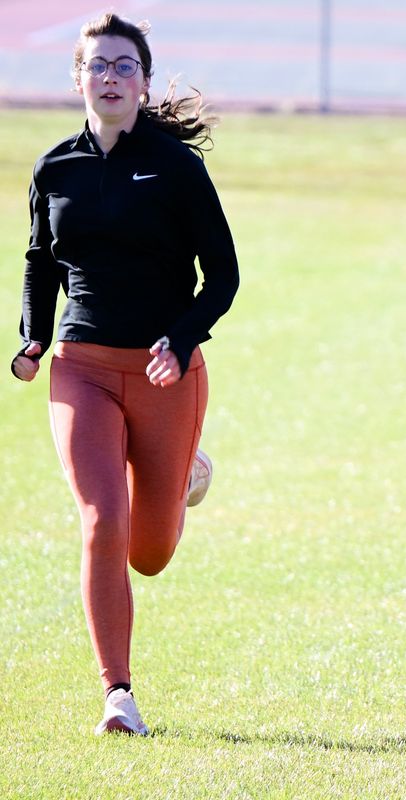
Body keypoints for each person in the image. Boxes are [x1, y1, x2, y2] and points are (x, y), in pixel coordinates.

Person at [12, 13, 239, 735]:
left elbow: (224, 277)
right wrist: (32, 339)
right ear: (77, 78)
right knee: (103, 522)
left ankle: (187, 473)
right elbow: (40, 260)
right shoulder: (54, 168)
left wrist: (180, 338)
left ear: (142, 83)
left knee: (150, 552)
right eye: (97, 66)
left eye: (123, 67)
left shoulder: (177, 169)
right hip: (81, 369)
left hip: (165, 372)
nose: (109, 77)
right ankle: (118, 694)